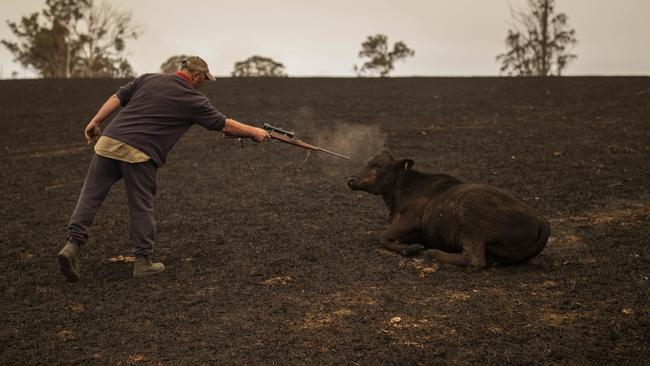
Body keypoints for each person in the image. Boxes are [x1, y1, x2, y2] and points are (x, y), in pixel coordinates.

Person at [57, 56, 270, 281]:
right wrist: (255, 132)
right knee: (141, 205)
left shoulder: (148, 79)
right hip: (139, 153)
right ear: (196, 76)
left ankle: (72, 245)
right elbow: (224, 124)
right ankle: (143, 261)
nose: (203, 83)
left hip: (108, 143)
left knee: (90, 196)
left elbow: (117, 97)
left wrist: (96, 121)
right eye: (203, 79)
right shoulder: (193, 98)